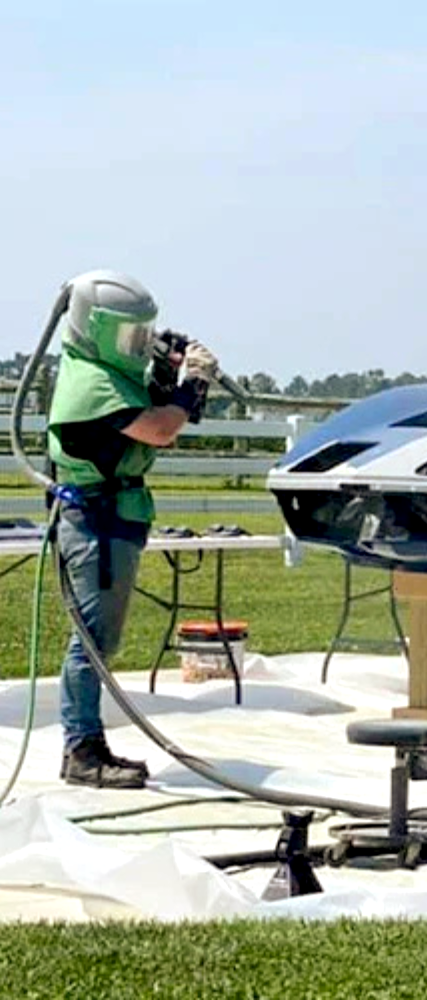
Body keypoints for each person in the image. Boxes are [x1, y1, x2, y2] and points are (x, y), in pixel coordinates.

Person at [46, 269, 219, 789]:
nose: (136, 344)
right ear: (95, 326)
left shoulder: (105, 371)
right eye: (128, 334)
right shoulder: (91, 382)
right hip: (95, 524)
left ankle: (86, 743)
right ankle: (82, 749)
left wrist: (168, 377)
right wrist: (192, 384)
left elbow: (154, 417)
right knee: (92, 642)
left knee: (98, 638)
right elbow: (160, 429)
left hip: (112, 517)